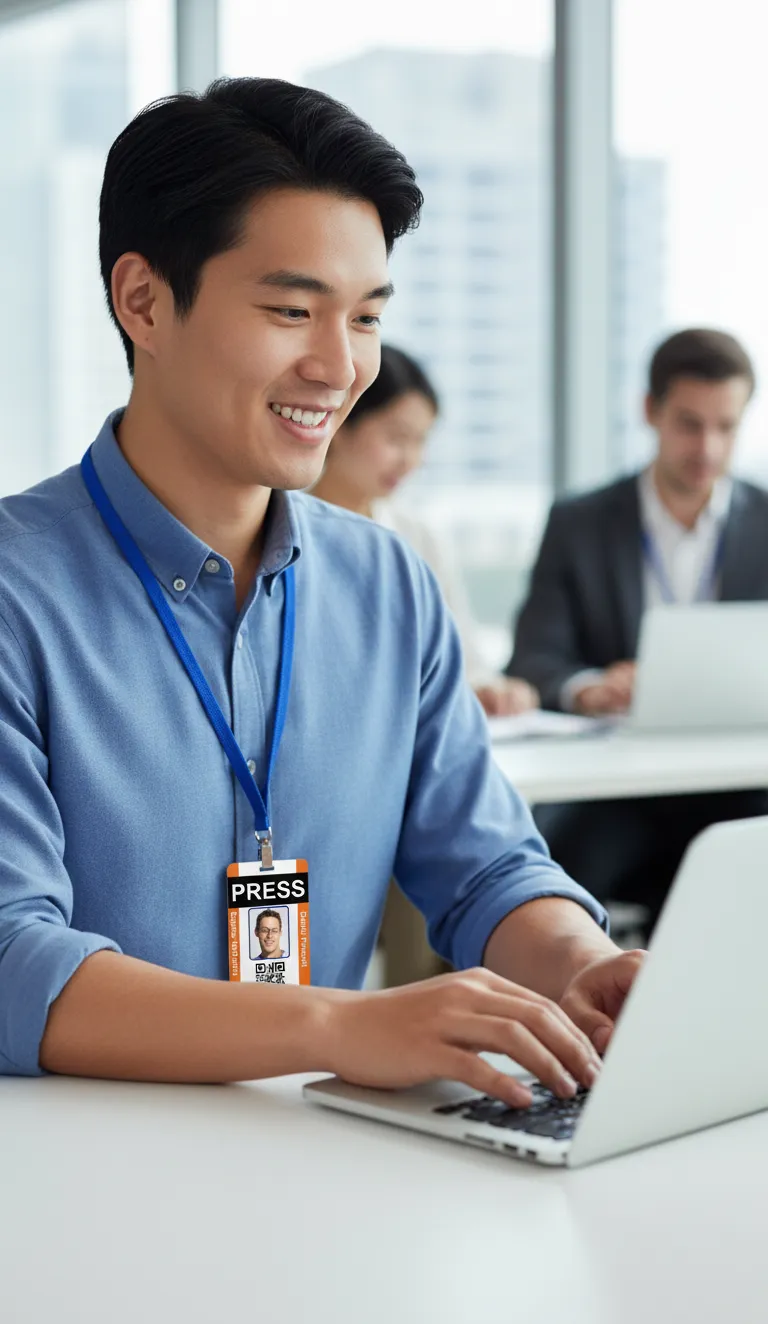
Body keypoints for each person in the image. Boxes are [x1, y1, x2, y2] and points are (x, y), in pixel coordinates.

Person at [0, 77, 643, 1107]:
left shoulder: (390, 584)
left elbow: (484, 867)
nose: (339, 367)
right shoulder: (17, 591)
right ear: (144, 300)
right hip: (68, 1194)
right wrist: (338, 1023)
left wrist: (578, 965)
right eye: (292, 310)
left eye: (367, 317)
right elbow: (10, 961)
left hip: (322, 1179)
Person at [507, 327, 768, 933]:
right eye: (689, 424)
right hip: (617, 789)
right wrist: (589, 685)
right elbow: (536, 656)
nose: (708, 447)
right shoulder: (581, 522)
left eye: (726, 427)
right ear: (650, 412)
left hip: (737, 780)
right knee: (550, 879)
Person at [312, 343, 539, 716]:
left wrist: (496, 691)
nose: (410, 460)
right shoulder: (280, 527)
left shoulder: (416, 536)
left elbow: (466, 662)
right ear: (339, 423)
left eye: (420, 441)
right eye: (396, 439)